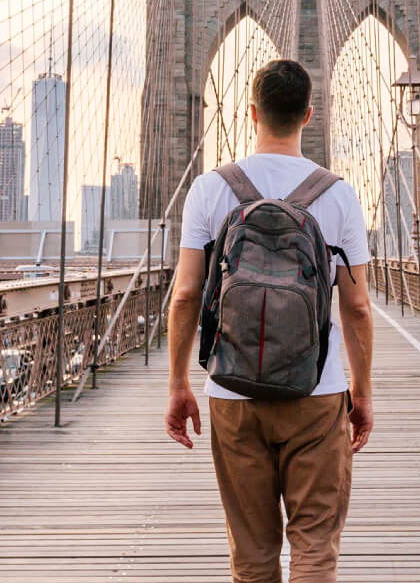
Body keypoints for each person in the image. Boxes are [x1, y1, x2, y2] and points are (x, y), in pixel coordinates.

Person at [166, 58, 375, 583]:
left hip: (234, 394)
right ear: (308, 115)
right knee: (314, 548)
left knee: (253, 556)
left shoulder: (210, 190)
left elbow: (187, 294)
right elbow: (356, 307)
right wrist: (361, 392)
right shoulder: (338, 194)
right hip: (317, 393)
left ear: (252, 112)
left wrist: (178, 383)